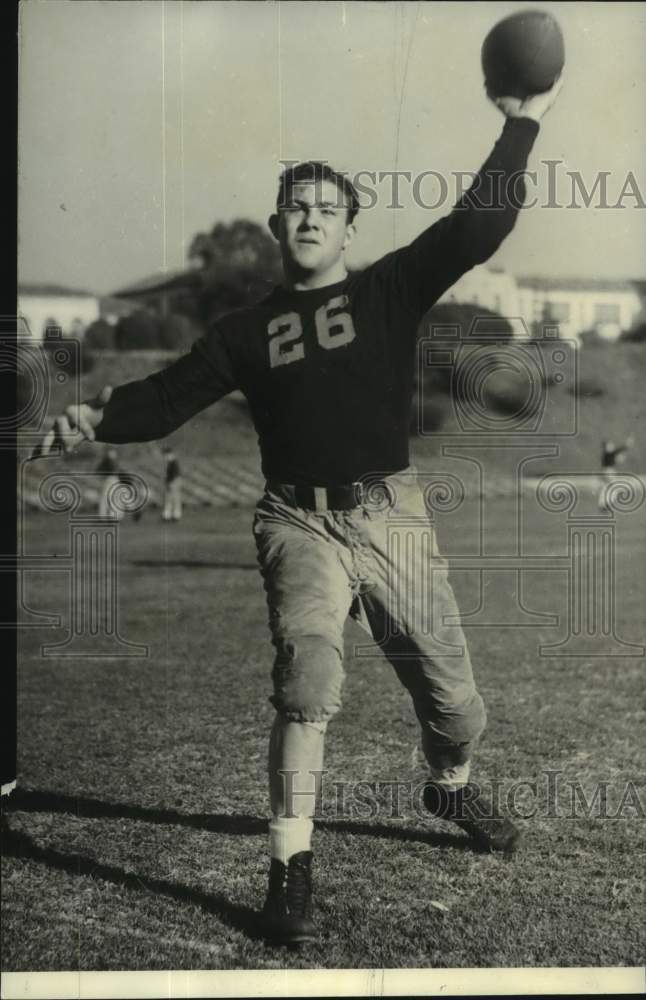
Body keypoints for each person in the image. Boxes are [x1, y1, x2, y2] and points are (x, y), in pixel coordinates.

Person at [36, 77, 562, 946]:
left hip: (390, 516)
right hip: (297, 521)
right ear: (278, 227)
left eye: (327, 207)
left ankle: (452, 781)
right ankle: (289, 864)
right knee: (308, 683)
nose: (311, 218)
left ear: (350, 228)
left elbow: (480, 225)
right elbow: (167, 398)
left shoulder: (390, 290)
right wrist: (96, 414)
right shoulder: (246, 331)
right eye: (296, 206)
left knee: (459, 707)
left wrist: (524, 122)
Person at [598, 435, 634, 512]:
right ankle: (607, 504)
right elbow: (618, 451)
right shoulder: (609, 453)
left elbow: (614, 458)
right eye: (610, 445)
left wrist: (618, 458)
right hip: (609, 472)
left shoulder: (607, 454)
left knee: (607, 488)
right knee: (613, 488)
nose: (612, 446)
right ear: (606, 447)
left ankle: (603, 505)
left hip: (606, 472)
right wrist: (627, 445)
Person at [95, 446, 122, 519]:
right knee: (109, 497)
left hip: (110, 479)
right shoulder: (108, 461)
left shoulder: (108, 461)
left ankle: (107, 515)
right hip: (110, 479)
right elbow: (98, 470)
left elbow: (98, 470)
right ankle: (109, 515)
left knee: (108, 498)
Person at [161, 446, 182, 522]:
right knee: (172, 499)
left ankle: (171, 515)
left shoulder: (173, 462)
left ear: (169, 454)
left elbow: (174, 474)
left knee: (171, 499)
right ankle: (171, 515)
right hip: (173, 481)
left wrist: (170, 482)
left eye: (165, 455)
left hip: (173, 482)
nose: (165, 457)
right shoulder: (171, 462)